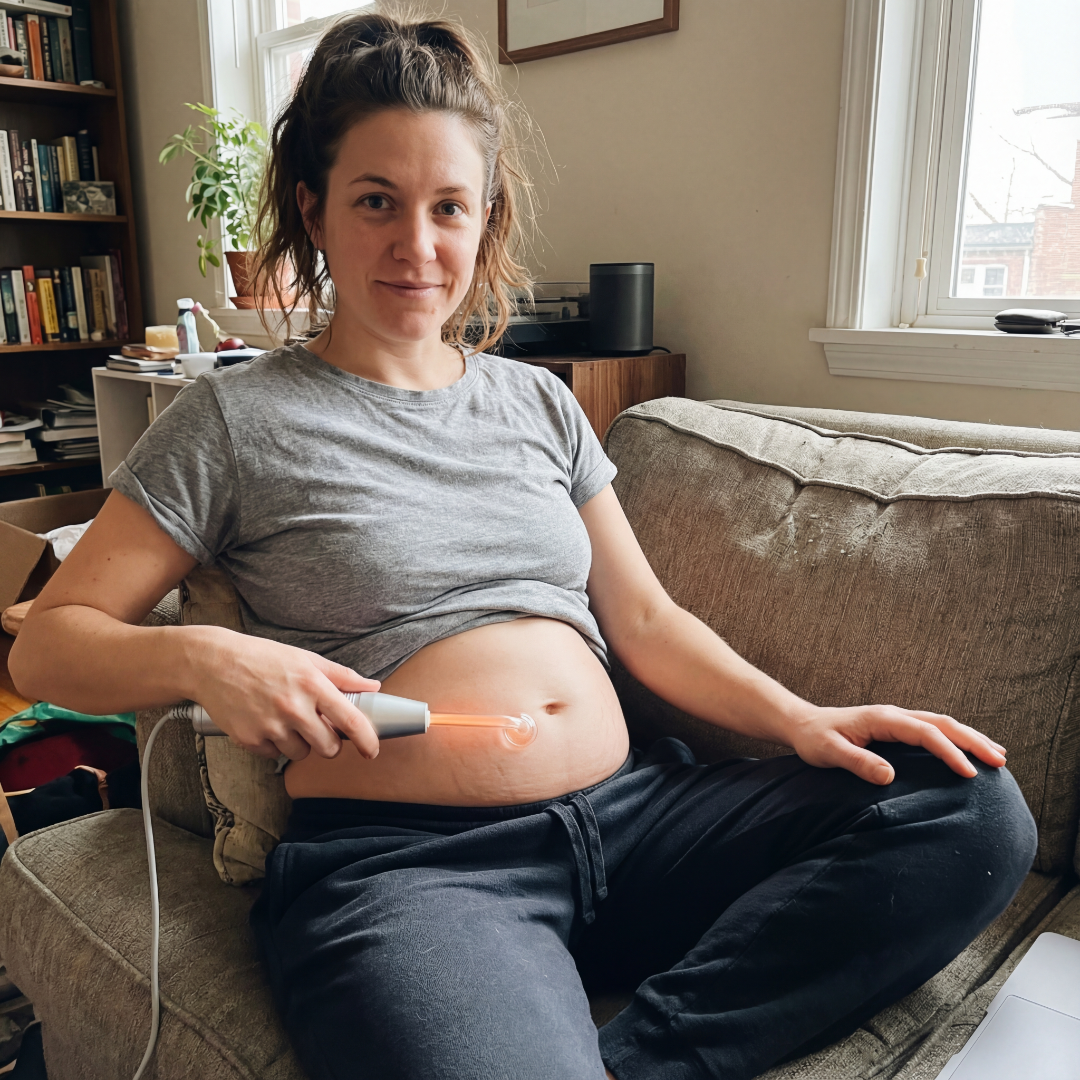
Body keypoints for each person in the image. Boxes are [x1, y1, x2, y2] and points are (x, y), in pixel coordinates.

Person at [9, 11, 1036, 1080]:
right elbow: (48, 647)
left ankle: (642, 1059)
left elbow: (646, 621)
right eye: (376, 201)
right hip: (411, 869)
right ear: (313, 208)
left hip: (638, 819)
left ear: (485, 215)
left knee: (965, 804)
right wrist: (206, 659)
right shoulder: (234, 421)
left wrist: (803, 721)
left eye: (449, 206)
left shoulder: (538, 404)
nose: (418, 245)